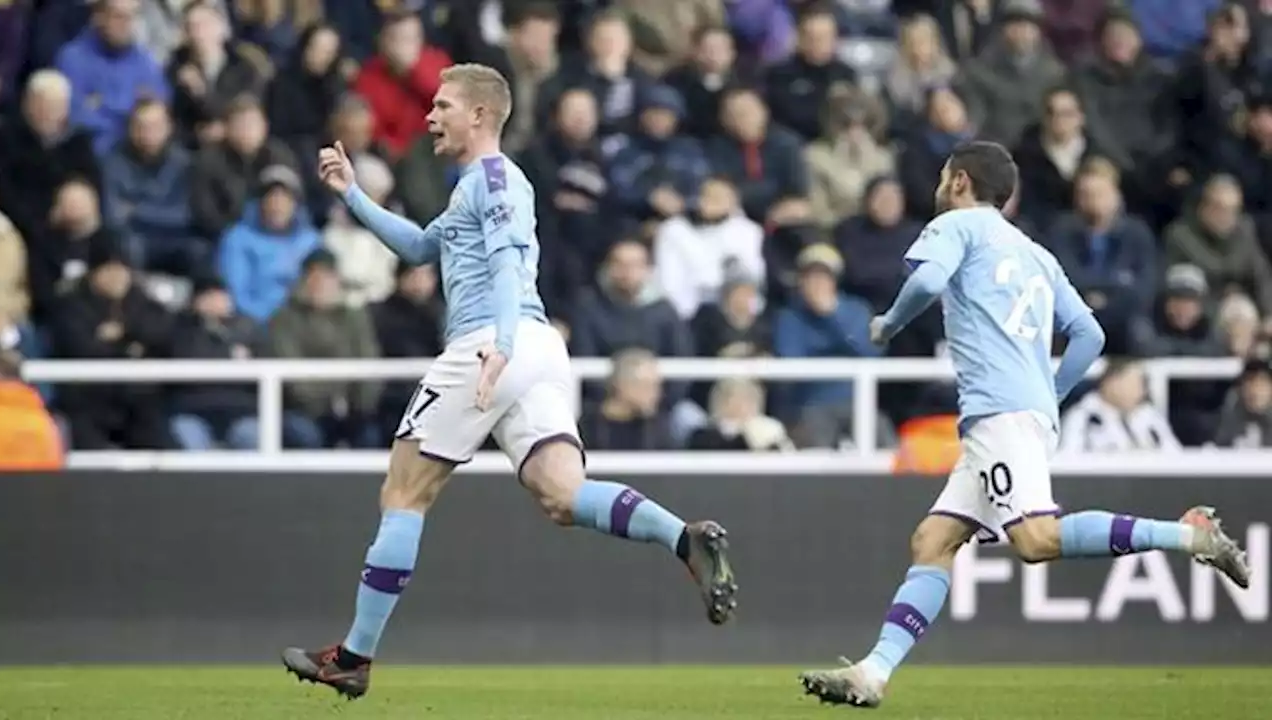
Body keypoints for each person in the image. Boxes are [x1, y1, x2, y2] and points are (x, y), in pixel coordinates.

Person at [281, 63, 737, 699]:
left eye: (442, 106)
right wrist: (352, 195)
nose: (430, 116)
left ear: (479, 114)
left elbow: (502, 264)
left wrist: (495, 345)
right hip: (540, 349)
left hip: (492, 340)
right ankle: (682, 537)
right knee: (563, 495)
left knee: (405, 491)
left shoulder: (493, 179)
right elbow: (418, 249)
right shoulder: (475, 186)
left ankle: (354, 656)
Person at [798, 141, 1252, 708]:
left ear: (961, 182)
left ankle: (1190, 536)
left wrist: (887, 325)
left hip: (998, 412)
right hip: (1020, 412)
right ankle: (874, 673)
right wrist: (1049, 397)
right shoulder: (1037, 254)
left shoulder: (955, 225)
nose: (940, 187)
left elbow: (926, 283)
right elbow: (1091, 337)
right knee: (934, 539)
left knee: (1036, 538)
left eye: (944, 177)